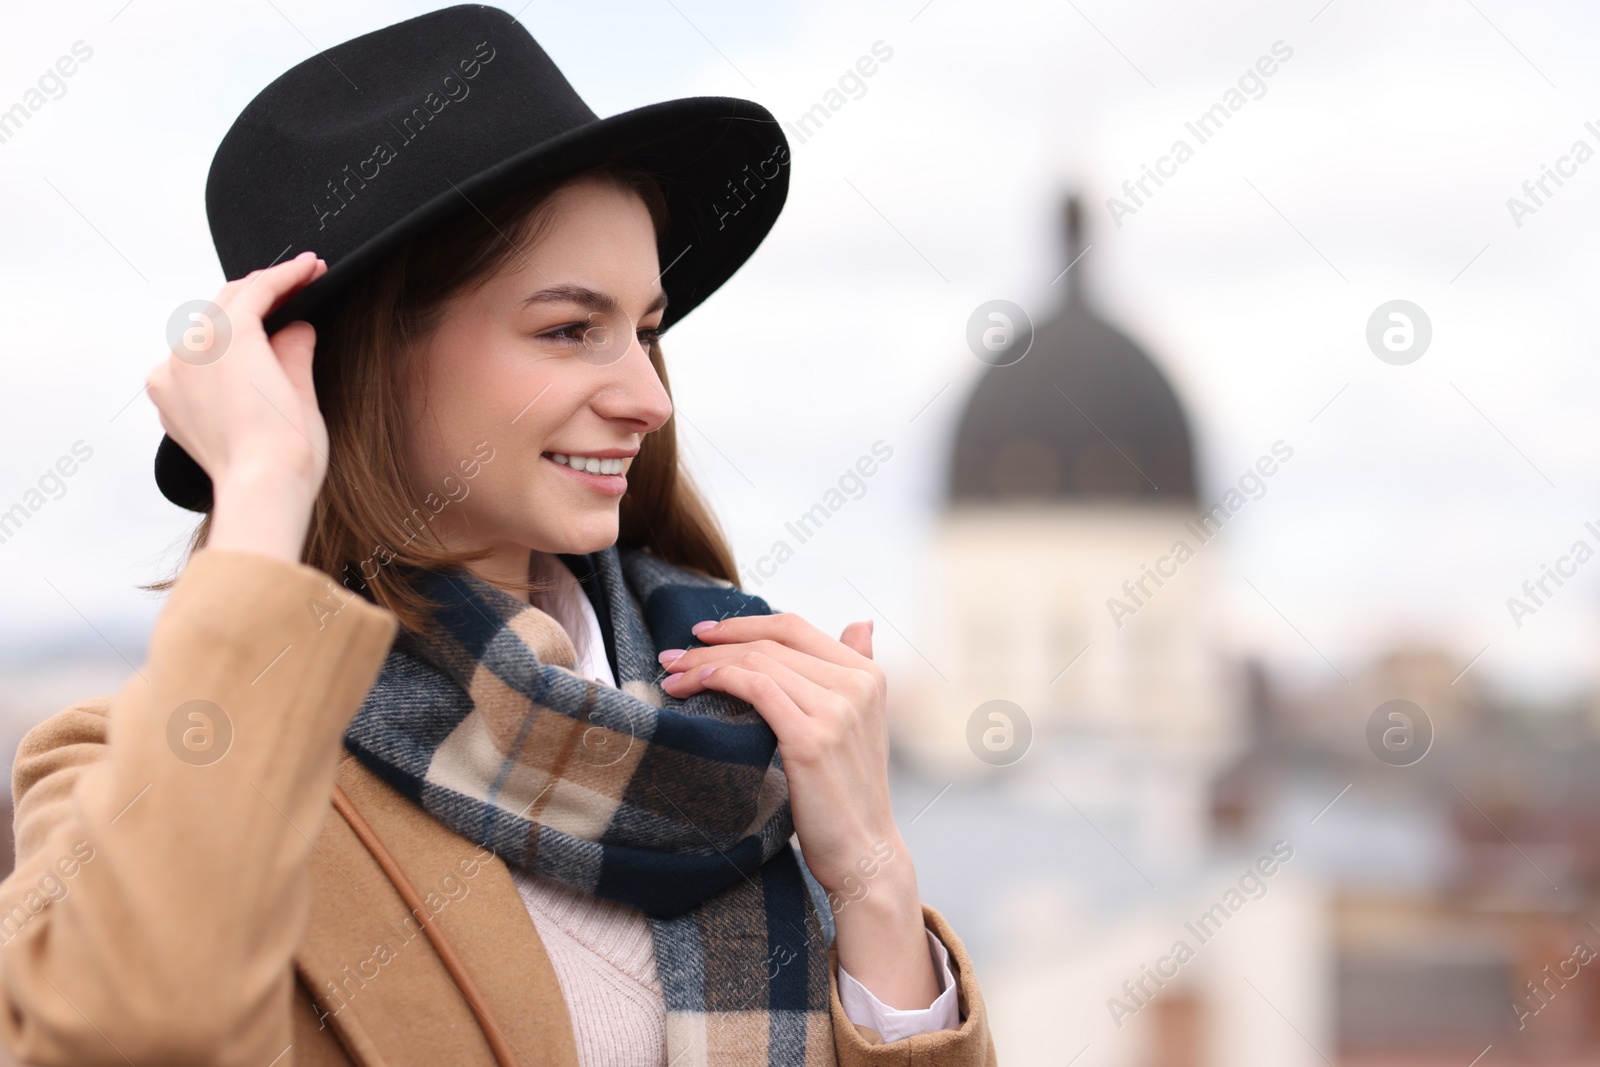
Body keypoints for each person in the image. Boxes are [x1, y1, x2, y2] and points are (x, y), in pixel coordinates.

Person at [0, 6, 997, 1065]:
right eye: (569, 329)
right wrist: (261, 482)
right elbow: (128, 1035)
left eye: (644, 332)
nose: (646, 397)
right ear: (370, 358)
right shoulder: (133, 779)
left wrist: (873, 885)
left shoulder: (728, 746)